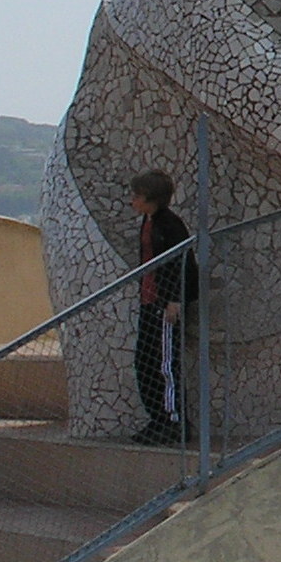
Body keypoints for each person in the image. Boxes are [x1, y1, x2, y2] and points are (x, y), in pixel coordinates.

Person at [127, 169, 197, 446]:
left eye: (137, 196)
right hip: (149, 302)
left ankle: (174, 421)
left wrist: (175, 299)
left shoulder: (170, 225)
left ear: (150, 198)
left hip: (165, 304)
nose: (133, 200)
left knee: (165, 365)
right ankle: (157, 418)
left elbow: (184, 265)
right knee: (145, 363)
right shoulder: (148, 221)